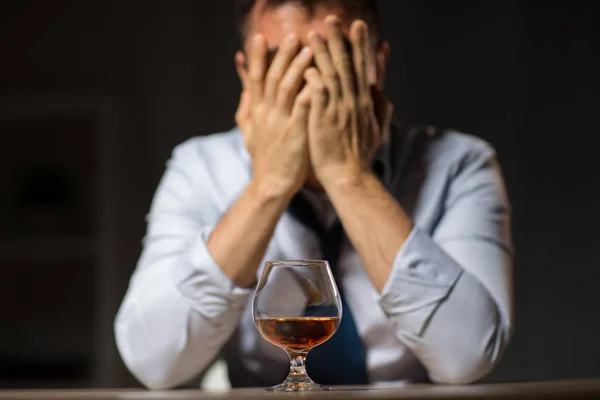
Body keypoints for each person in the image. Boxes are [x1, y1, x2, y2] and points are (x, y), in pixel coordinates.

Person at [114, 0, 514, 390]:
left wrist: (348, 177)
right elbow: (155, 364)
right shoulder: (200, 167)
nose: (307, 87)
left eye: (331, 58)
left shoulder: (461, 163)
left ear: (376, 65)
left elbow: (467, 359)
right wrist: (268, 186)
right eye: (280, 65)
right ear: (246, 74)